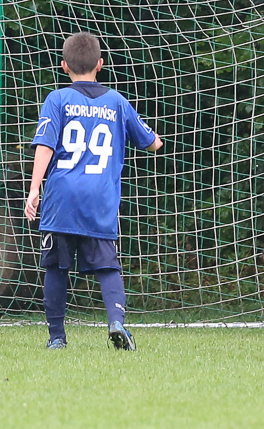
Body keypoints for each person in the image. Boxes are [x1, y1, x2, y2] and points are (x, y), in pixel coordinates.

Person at [25, 32, 163, 350]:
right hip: (100, 199)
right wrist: (149, 137)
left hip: (61, 198)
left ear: (64, 66)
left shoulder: (57, 99)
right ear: (100, 64)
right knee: (107, 266)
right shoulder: (117, 102)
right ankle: (116, 322)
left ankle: (57, 338)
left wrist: (34, 189)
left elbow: (45, 145)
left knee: (56, 267)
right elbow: (153, 143)